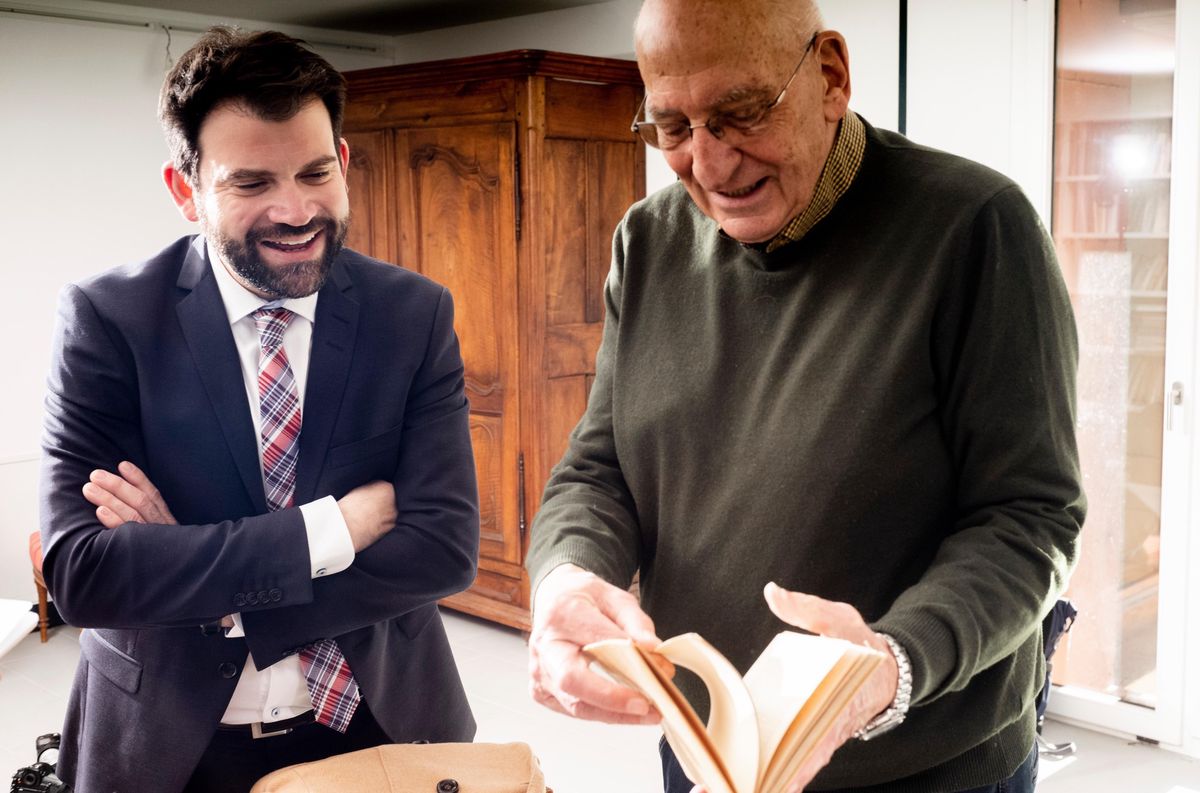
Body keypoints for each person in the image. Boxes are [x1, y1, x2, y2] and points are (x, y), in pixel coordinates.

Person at [525, 1, 1085, 791]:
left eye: (741, 113)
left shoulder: (978, 228)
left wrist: (893, 663)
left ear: (830, 76)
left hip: (923, 764)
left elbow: (1030, 515)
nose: (710, 166)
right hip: (711, 751)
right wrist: (570, 576)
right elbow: (600, 465)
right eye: (672, 128)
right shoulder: (646, 240)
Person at [38, 27, 480, 793]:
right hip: (171, 749)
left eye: (315, 172)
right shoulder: (108, 321)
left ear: (343, 163)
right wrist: (331, 529)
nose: (295, 209)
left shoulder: (411, 314)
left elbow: (443, 548)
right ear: (187, 192)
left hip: (382, 723)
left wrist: (195, 570)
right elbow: (83, 573)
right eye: (251, 183)